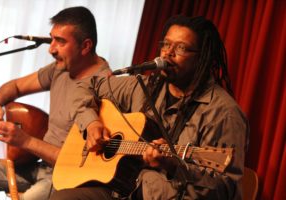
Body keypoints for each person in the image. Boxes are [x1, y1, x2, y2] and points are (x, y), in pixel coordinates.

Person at [50, 15, 249, 200]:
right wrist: (91, 123)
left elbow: (225, 189)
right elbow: (85, 85)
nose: (168, 53)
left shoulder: (224, 114)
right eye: (166, 44)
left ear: (202, 57)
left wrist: (172, 166)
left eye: (180, 48)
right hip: (122, 189)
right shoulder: (143, 86)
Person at [0, 6, 110, 200]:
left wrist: (24, 140)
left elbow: (79, 162)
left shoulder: (107, 87)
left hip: (67, 178)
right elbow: (15, 86)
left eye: (60, 41)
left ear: (85, 46)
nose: (51, 49)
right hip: (39, 166)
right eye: (52, 39)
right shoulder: (60, 69)